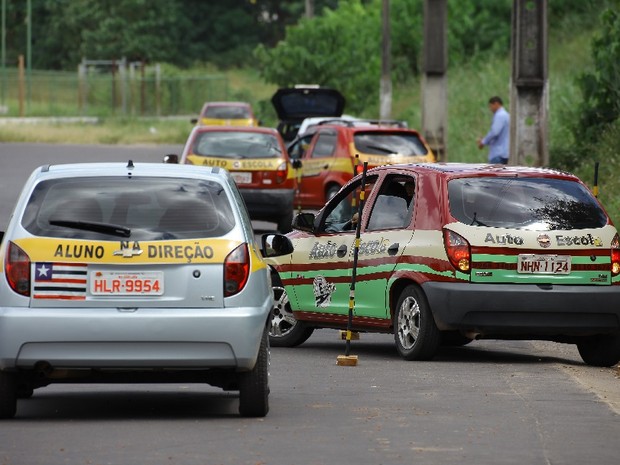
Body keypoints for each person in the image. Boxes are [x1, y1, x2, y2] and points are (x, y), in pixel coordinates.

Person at [477, 96, 510, 164]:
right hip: (506, 153)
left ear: (496, 104)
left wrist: (483, 142)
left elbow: (494, 132)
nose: (490, 109)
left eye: (491, 106)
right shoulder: (507, 115)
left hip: (498, 154)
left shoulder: (499, 115)